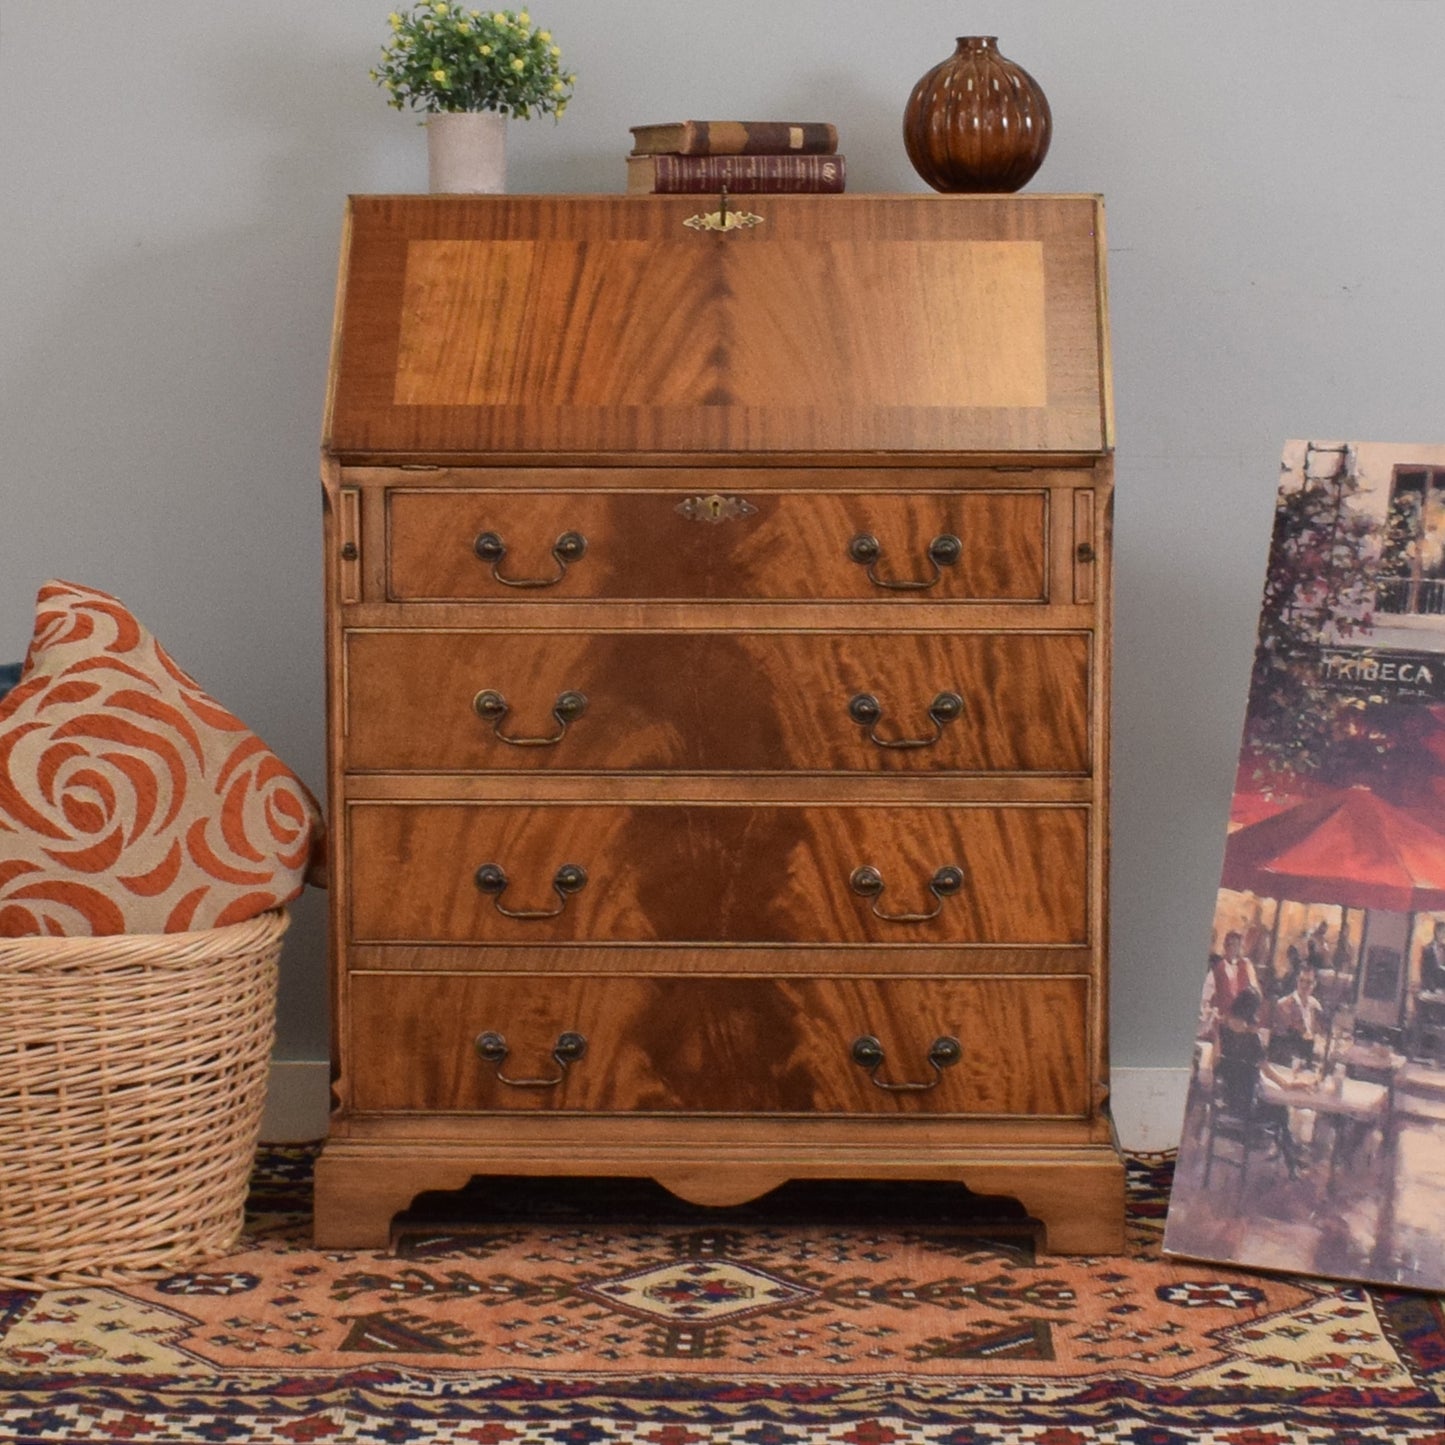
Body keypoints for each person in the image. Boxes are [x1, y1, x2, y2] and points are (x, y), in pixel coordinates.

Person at [1214, 988, 1310, 1179]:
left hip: (1228, 1105)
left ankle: (1291, 1157)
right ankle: (1292, 1166)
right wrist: (1289, 1085)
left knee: (1273, 1107)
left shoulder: (1222, 1029)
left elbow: (1216, 1063)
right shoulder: (1252, 1038)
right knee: (1281, 1111)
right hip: (1248, 1112)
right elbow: (1268, 1072)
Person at [1200, 932, 1260, 1037]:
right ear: (1224, 946)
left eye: (1235, 945)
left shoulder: (1246, 966)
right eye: (1229, 945)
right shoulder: (1218, 969)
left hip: (1243, 1022)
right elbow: (1206, 998)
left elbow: (1255, 992)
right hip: (1224, 1023)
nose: (1232, 948)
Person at [1269, 963, 1325, 1066]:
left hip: (1307, 1061)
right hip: (1286, 1062)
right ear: (1296, 981)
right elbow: (1282, 1039)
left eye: (1308, 982)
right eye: (1301, 981)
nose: (1304, 985)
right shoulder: (1284, 1004)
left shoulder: (1315, 1005)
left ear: (1315, 984)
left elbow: (1319, 1033)